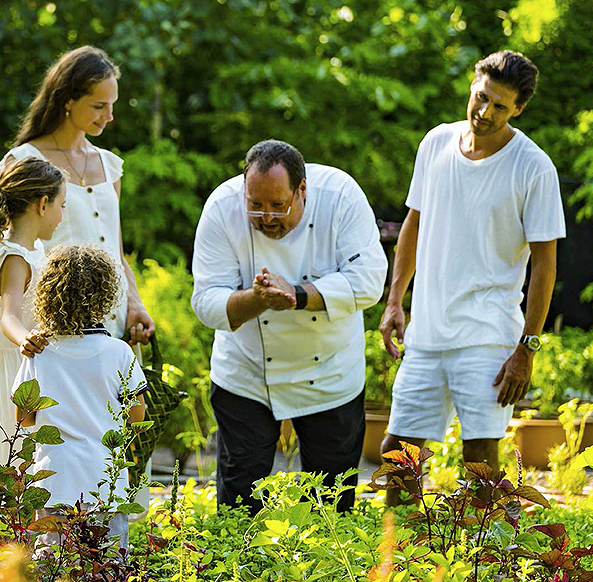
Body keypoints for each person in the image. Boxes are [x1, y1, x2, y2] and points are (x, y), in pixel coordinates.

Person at [379, 50, 566, 498]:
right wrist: (394, 301)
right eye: (481, 97)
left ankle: (484, 562)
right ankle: (399, 559)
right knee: (397, 453)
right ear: (472, 85)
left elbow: (545, 264)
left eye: (499, 106)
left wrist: (528, 347)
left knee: (480, 461)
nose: (484, 112)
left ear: (518, 109)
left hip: (488, 336)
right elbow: (414, 224)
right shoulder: (435, 144)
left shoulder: (533, 167)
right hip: (426, 334)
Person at [191, 139, 388, 513]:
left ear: (302, 190)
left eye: (277, 206)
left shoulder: (341, 196)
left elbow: (368, 281)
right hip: (247, 374)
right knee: (239, 505)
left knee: (331, 506)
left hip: (329, 373)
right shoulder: (221, 207)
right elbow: (205, 301)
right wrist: (257, 299)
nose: (266, 217)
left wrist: (298, 294)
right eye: (255, 205)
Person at [2, 45, 154, 344]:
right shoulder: (25, 159)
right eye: (99, 106)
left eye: (112, 105)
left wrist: (134, 304)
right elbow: (14, 247)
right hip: (57, 323)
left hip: (115, 322)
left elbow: (117, 251)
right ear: (68, 101)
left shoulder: (109, 165)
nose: (109, 116)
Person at [13, 244, 147, 551]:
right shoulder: (119, 353)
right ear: (106, 297)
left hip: (54, 478)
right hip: (104, 482)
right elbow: (136, 415)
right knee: (107, 564)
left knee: (54, 563)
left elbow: (24, 418)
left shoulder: (39, 351)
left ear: (47, 295)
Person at [0, 156, 66, 494]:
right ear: (43, 204)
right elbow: (9, 315)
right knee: (14, 486)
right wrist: (26, 339)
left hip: (23, 370)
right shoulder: (15, 257)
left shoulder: (30, 251)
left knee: (26, 480)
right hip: (11, 372)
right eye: (61, 205)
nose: (62, 216)